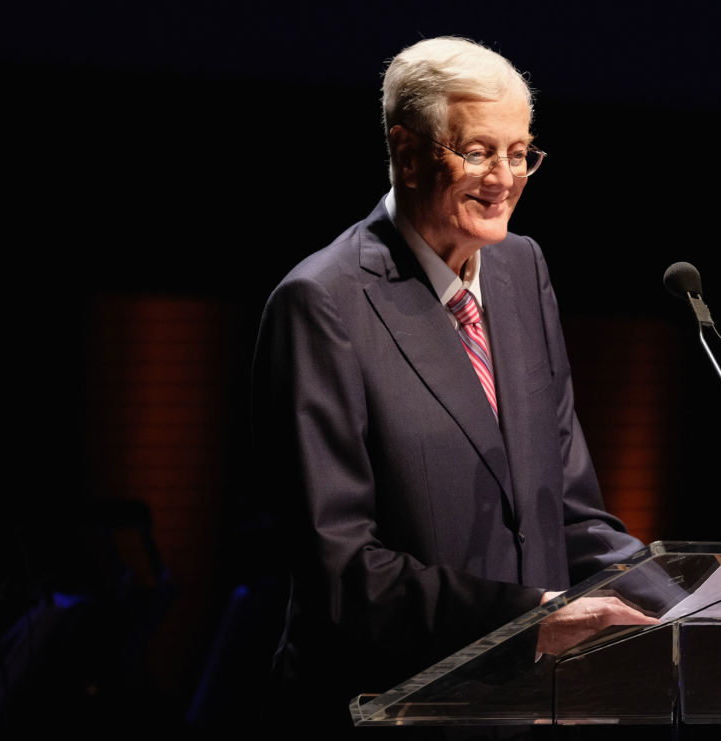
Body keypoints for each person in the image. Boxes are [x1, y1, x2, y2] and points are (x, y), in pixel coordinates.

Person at [250, 36, 657, 732]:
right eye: (477, 151)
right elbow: (343, 572)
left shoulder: (521, 270)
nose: (504, 177)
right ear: (407, 153)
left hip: (530, 709)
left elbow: (568, 511)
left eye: (520, 151)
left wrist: (702, 612)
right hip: (386, 709)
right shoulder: (322, 304)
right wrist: (533, 619)